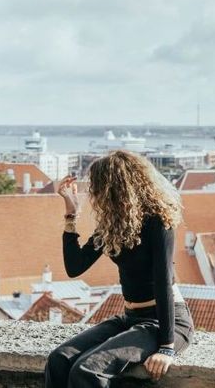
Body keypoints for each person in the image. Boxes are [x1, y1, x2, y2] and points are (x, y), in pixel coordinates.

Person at [44, 150, 195, 388]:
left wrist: (167, 347)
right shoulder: (113, 225)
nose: (93, 193)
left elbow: (163, 281)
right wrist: (71, 212)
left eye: (97, 187)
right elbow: (75, 267)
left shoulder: (158, 221)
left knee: (87, 371)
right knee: (59, 359)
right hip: (131, 317)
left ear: (114, 188)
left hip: (165, 321)